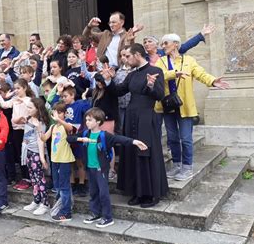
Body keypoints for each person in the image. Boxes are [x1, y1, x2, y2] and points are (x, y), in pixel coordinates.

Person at [156, 33, 230, 181]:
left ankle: (187, 167)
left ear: (176, 44)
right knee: (172, 138)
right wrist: (174, 74)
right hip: (168, 105)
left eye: (166, 43)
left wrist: (213, 81)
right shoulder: (161, 61)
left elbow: (200, 73)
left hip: (185, 106)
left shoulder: (189, 61)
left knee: (186, 138)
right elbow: (158, 76)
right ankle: (177, 165)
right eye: (162, 44)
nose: (163, 46)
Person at [103, 43, 168, 208]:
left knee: (145, 152)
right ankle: (137, 192)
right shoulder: (131, 75)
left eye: (128, 56)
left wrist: (152, 85)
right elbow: (118, 91)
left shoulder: (156, 71)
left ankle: (151, 194)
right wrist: (109, 79)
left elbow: (160, 95)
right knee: (132, 153)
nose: (125, 59)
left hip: (146, 117)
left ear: (138, 55)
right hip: (131, 117)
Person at [67, 108, 148, 228]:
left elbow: (120, 139)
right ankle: (96, 213)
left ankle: (108, 217)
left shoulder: (105, 136)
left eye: (90, 120)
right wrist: (80, 139)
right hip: (90, 168)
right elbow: (69, 138)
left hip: (101, 169)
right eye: (86, 120)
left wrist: (134, 141)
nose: (87, 122)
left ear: (98, 122)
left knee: (103, 193)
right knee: (93, 192)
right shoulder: (85, 133)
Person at [40, 102, 75, 222]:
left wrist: (58, 120)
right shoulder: (53, 127)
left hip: (64, 159)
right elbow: (44, 138)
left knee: (64, 186)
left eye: (59, 112)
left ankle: (66, 212)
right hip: (54, 159)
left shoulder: (66, 125)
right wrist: (38, 128)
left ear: (65, 114)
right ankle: (62, 206)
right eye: (55, 112)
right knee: (58, 186)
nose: (57, 115)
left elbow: (70, 128)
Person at [21, 98, 50, 215]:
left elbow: (40, 141)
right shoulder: (28, 119)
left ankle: (45, 203)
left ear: (38, 109)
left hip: (36, 153)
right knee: (33, 178)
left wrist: (42, 158)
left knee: (39, 178)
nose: (27, 110)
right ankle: (36, 199)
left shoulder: (40, 123)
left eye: (30, 108)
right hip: (27, 151)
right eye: (27, 107)